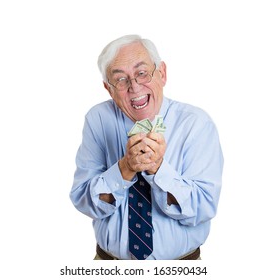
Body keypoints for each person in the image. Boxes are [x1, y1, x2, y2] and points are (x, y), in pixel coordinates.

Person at [70, 34, 223, 260]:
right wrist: (124, 169)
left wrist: (158, 170)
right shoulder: (98, 120)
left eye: (142, 73)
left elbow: (203, 208)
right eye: (120, 79)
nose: (134, 86)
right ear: (108, 88)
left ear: (162, 73)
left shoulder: (196, 123)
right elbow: (84, 200)